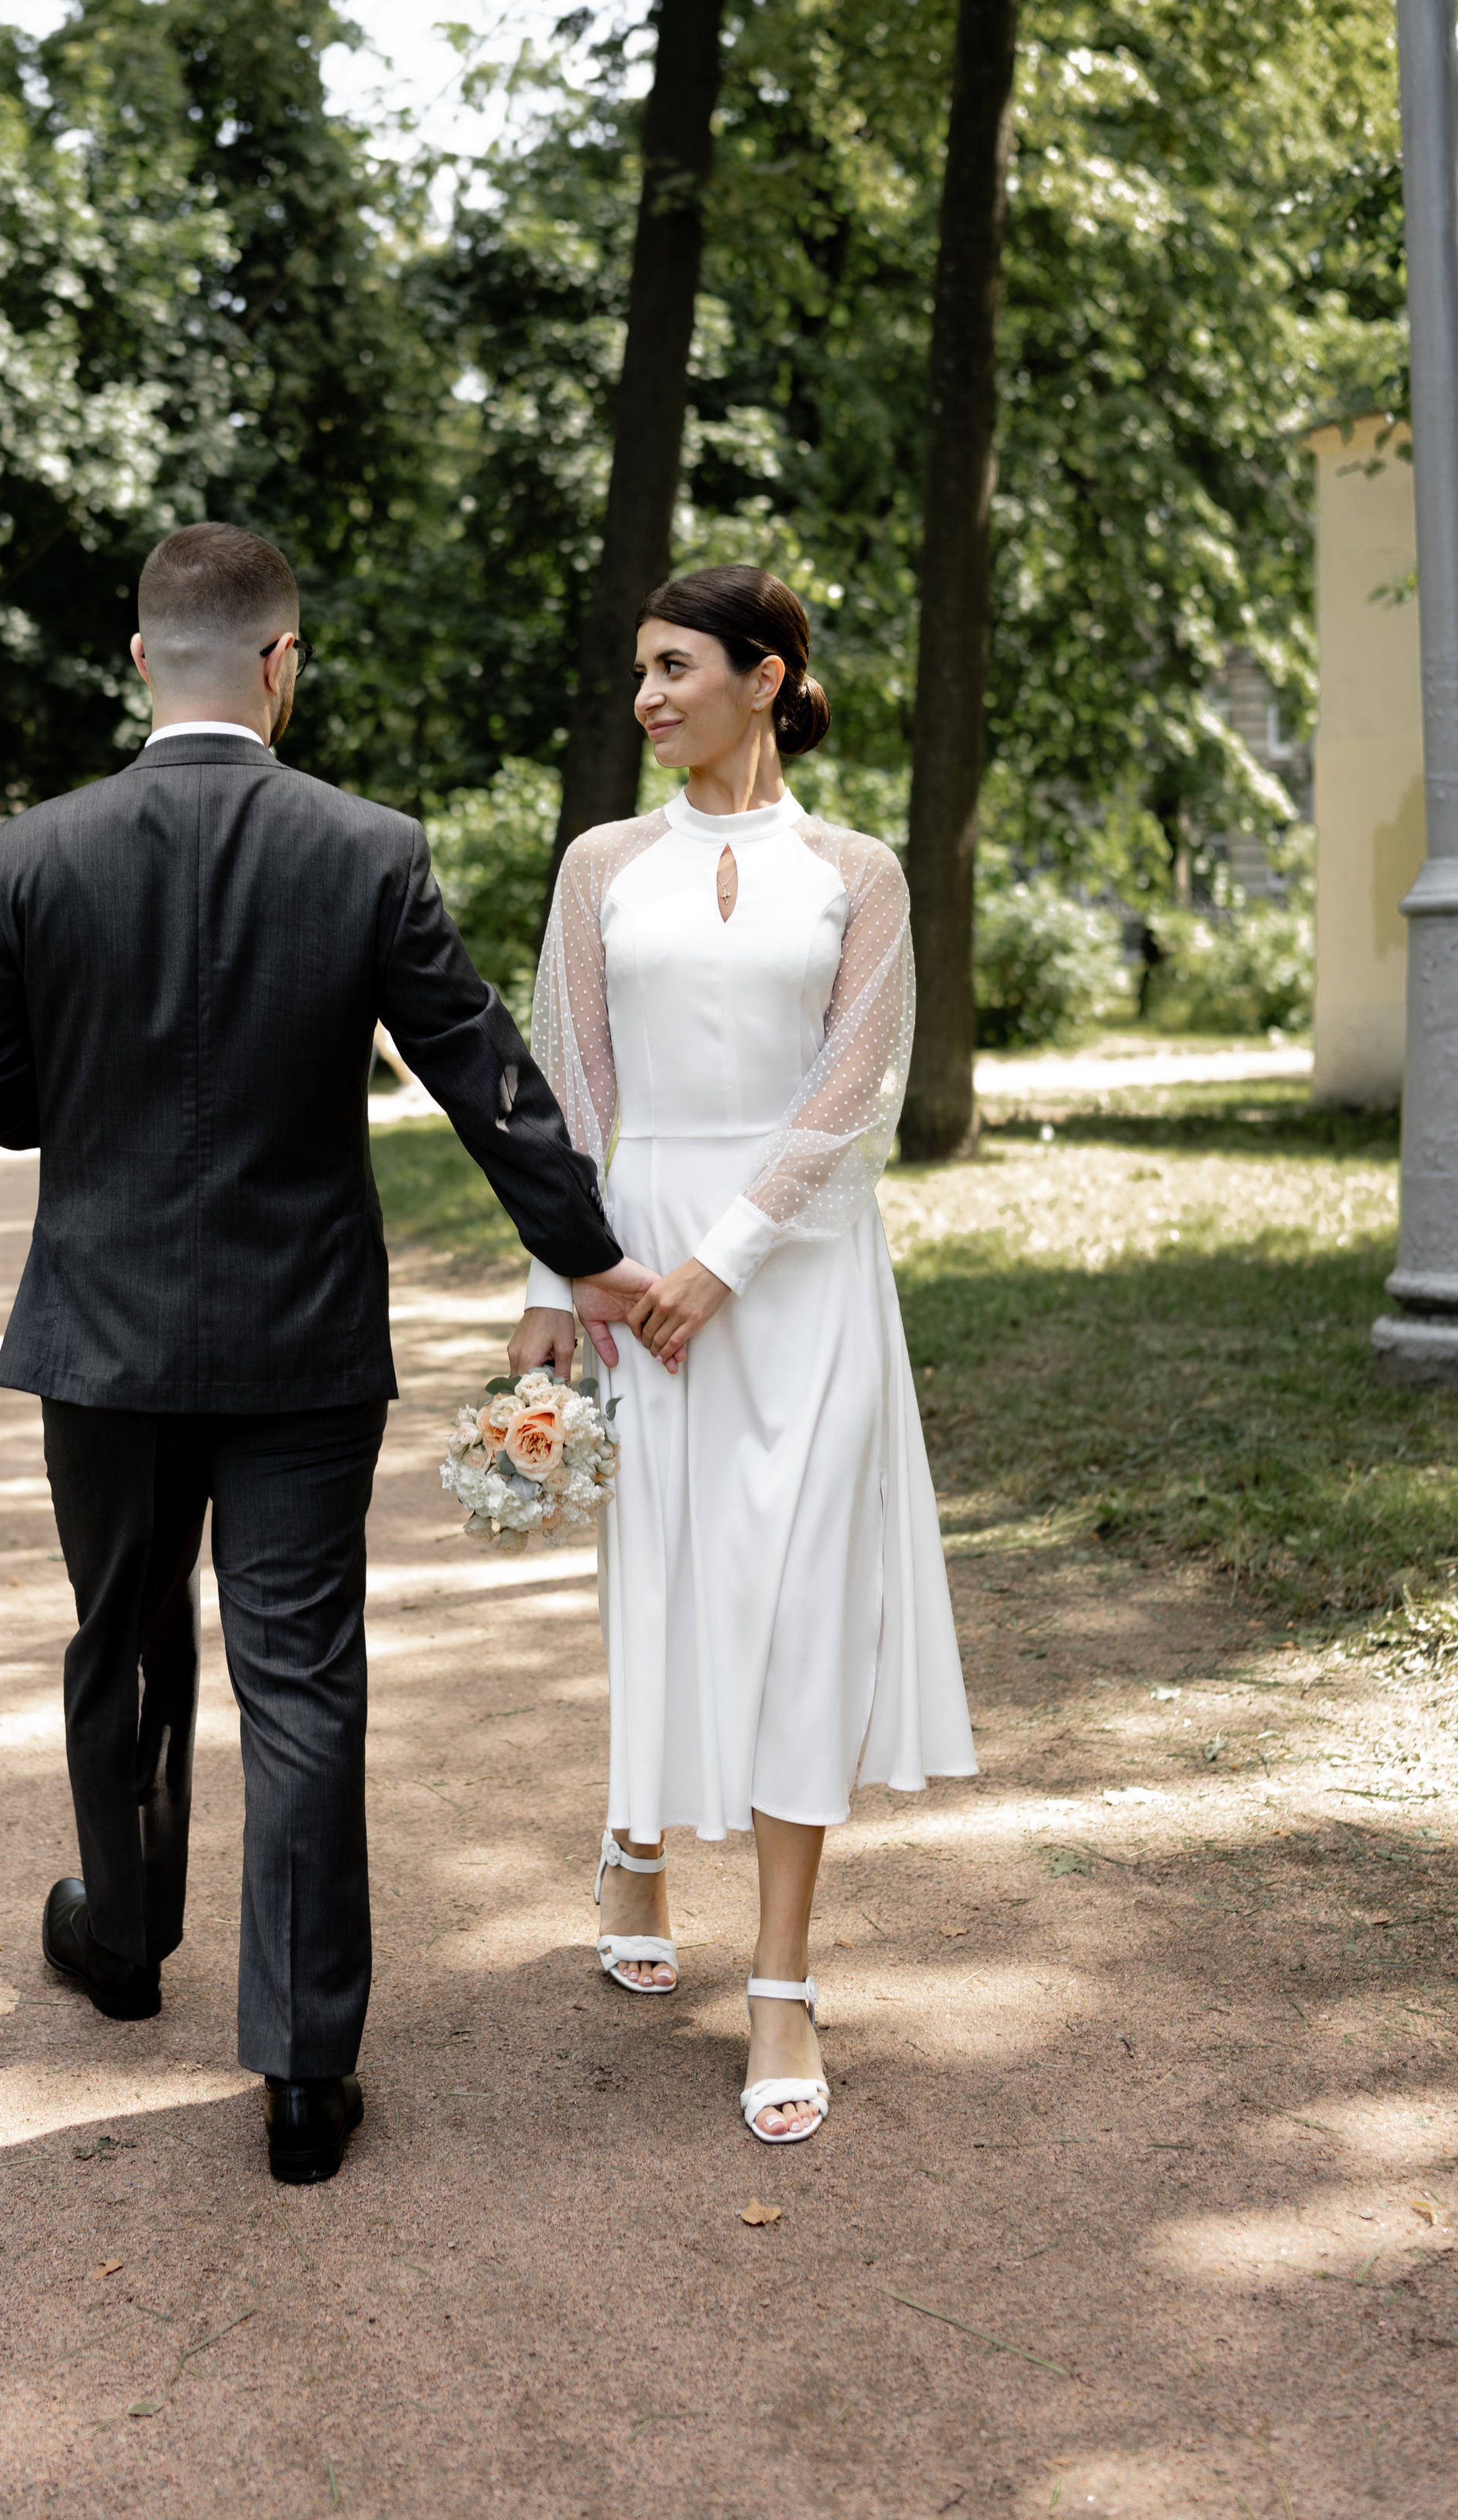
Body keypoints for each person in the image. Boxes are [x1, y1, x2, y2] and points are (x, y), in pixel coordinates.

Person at [0, 523, 651, 2184]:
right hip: (303, 1341)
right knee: (301, 1682)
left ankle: (121, 1943)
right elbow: (487, 1076)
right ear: (278, 662)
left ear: (137, 664)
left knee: (120, 1638)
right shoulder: (365, 848)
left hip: (99, 1335)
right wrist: (593, 1258)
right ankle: (306, 2075)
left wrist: (92, 1105)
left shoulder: (29, 852)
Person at [508, 564, 976, 2146]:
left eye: (674, 667)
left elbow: (851, 1094)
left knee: (800, 1604)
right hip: (629, 1254)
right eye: (637, 672)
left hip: (802, 1272)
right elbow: (565, 1095)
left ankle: (779, 1973)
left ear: (764, 677)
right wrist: (554, 1279)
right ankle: (634, 1827)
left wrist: (723, 1259)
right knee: (662, 1572)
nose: (646, 697)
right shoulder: (599, 866)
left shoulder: (855, 869)